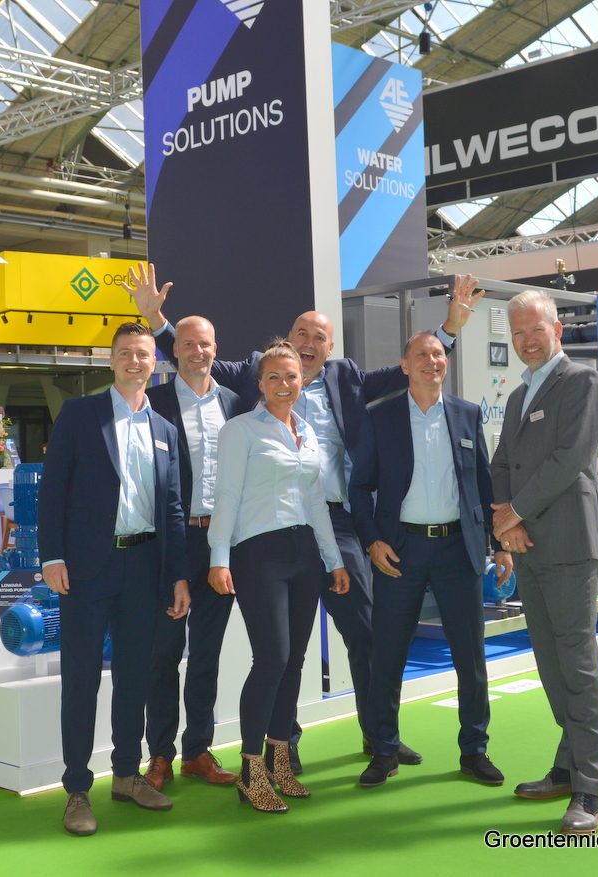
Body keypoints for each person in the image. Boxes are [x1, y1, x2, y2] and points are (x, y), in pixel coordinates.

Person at [127, 262, 481, 771]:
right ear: (286, 344)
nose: (308, 343)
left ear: (330, 348)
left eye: (319, 337)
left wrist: (449, 328)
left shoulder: (348, 377)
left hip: (336, 524)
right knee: (279, 651)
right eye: (301, 334)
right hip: (269, 530)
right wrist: (157, 322)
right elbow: (196, 360)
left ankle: (379, 736)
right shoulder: (257, 371)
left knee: (365, 634)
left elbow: (414, 367)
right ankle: (280, 746)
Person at [38, 322, 192, 837]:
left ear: (155, 363)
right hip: (86, 568)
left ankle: (126, 775)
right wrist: (52, 556)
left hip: (145, 567)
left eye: (143, 354)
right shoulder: (80, 414)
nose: (134, 361)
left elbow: (173, 508)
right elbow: (53, 489)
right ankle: (77, 789)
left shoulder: (165, 430)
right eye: (124, 353)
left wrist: (177, 575)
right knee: (81, 678)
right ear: (111, 361)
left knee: (135, 676)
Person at [349, 331, 512, 788]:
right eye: (421, 354)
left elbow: (484, 483)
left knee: (470, 657)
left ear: (446, 362)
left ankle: (474, 751)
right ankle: (384, 751)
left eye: (438, 354)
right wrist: (372, 541)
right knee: (388, 656)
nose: (431, 360)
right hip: (399, 550)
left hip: (458, 549)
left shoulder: (467, 414)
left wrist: (500, 541)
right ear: (405, 365)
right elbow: (359, 487)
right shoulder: (379, 416)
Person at [207, 340, 350, 813]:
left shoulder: (307, 433)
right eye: (274, 377)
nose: (284, 384)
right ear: (260, 383)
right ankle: (251, 771)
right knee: (272, 658)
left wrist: (334, 560)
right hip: (257, 554)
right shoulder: (239, 430)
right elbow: (226, 495)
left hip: (304, 554)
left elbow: (316, 503)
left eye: (291, 376)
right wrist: (219, 558)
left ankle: (279, 761)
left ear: (302, 380)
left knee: (295, 662)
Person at [489, 289, 598, 835]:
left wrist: (513, 512)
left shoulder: (583, 381)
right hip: (527, 546)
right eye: (517, 332)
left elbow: (571, 458)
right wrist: (506, 522)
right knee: (549, 663)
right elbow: (502, 464)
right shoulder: (518, 395)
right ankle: (566, 768)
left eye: (535, 329)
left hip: (567, 545)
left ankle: (589, 789)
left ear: (557, 329)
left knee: (577, 666)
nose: (527, 340)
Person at [143, 316, 246, 791]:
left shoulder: (234, 403)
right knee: (164, 654)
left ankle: (197, 751)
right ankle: (159, 756)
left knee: (207, 653)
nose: (197, 352)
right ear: (175, 350)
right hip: (171, 542)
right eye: (188, 344)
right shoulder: (154, 402)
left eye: (205, 344)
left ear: (215, 348)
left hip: (220, 543)